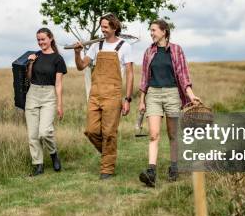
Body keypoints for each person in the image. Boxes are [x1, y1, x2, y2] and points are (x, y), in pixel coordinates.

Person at [138, 19, 200, 187]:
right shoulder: (148, 52)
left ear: (164, 32)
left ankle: (174, 167)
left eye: (154, 30)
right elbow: (144, 77)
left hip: (172, 94)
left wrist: (191, 95)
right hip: (153, 95)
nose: (151, 33)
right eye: (150, 31)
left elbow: (183, 75)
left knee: (173, 134)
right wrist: (142, 100)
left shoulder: (176, 50)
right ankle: (151, 171)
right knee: (153, 134)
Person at [73, 13, 134, 180]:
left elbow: (129, 74)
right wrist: (77, 53)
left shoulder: (124, 46)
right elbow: (81, 66)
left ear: (114, 27)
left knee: (109, 132)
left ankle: (107, 168)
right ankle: (110, 153)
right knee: (91, 130)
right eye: (102, 27)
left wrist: (127, 99)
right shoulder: (96, 46)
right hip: (95, 94)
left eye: (106, 27)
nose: (103, 30)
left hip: (113, 96)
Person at [25, 28, 67, 176]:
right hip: (33, 94)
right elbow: (29, 77)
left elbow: (59, 84)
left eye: (43, 39)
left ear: (50, 39)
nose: (40, 42)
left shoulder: (58, 59)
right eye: (38, 40)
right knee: (33, 135)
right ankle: (38, 165)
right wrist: (30, 63)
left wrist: (60, 104)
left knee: (44, 132)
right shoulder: (35, 55)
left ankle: (54, 153)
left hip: (49, 95)